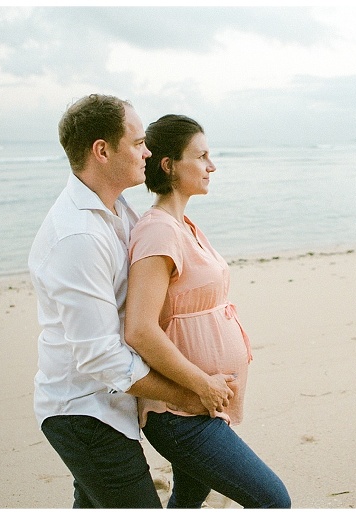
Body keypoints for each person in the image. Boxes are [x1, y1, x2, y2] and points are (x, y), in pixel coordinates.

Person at [28, 95, 219, 508]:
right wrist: (185, 392)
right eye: (137, 143)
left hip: (112, 404)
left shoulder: (119, 210)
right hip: (84, 410)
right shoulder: (77, 237)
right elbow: (100, 358)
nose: (148, 152)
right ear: (102, 150)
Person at [124, 114, 291, 509]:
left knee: (187, 500)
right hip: (179, 411)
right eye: (201, 157)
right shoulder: (158, 231)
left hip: (202, 404)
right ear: (168, 165)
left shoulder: (185, 225)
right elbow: (140, 330)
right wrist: (202, 384)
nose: (211, 166)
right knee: (272, 500)